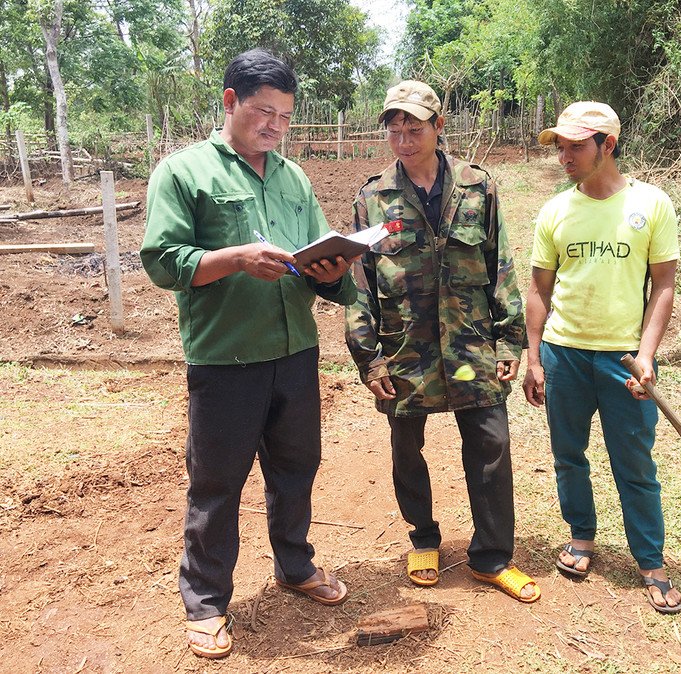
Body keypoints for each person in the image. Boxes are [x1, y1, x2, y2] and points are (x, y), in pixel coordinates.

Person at [141, 48, 357, 659]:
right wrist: (235, 258)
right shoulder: (184, 172)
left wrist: (336, 269)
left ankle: (294, 565)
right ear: (231, 102)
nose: (276, 127)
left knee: (296, 468)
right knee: (217, 481)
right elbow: (164, 261)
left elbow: (318, 263)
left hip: (294, 351)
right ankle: (206, 602)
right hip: (226, 357)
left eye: (285, 117)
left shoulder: (293, 179)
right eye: (265, 112)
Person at [344, 80, 539, 602]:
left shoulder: (480, 186)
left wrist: (508, 343)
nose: (403, 137)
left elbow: (500, 266)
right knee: (407, 447)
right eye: (394, 127)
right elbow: (358, 283)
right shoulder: (373, 197)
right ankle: (423, 539)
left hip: (472, 351)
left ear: (438, 127)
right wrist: (370, 358)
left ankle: (492, 557)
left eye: (414, 126)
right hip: (406, 354)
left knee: (491, 443)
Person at [522, 101, 681, 613]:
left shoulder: (652, 204)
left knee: (634, 462)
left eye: (575, 146)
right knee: (569, 456)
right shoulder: (555, 211)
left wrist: (647, 355)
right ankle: (582, 537)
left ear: (607, 145)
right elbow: (538, 292)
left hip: (623, 359)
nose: (564, 156)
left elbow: (663, 287)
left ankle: (651, 561)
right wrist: (533, 358)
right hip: (564, 354)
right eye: (560, 147)